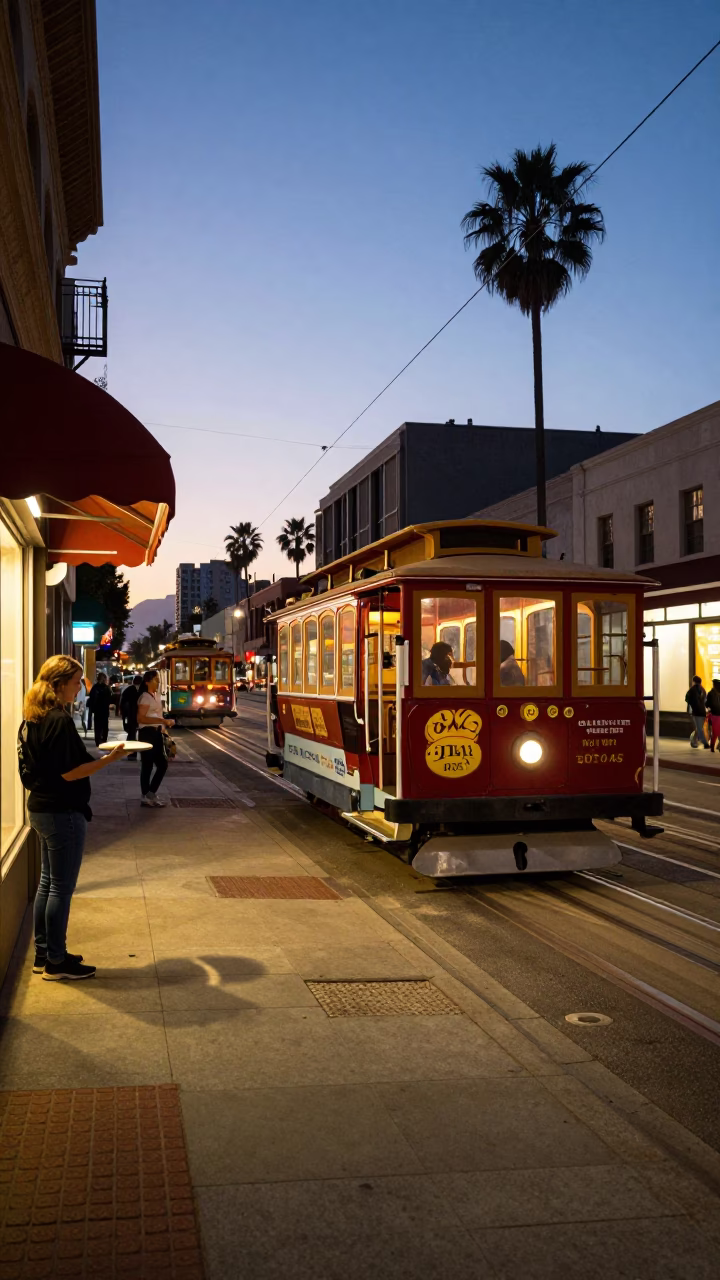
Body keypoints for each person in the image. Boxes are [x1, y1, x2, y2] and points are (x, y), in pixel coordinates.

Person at [18, 655, 125, 980]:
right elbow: (70, 772)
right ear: (60, 683)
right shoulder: (58, 720)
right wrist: (110, 759)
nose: (80, 688)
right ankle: (56, 961)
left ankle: (43, 954)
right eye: (76, 681)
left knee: (48, 884)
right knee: (61, 889)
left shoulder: (32, 717)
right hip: (62, 811)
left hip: (40, 807)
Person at [137, 670, 174, 807]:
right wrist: (162, 721)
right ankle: (145, 795)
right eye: (156, 680)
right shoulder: (145, 697)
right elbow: (140, 718)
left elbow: (157, 715)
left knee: (162, 764)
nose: (158, 682)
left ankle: (150, 793)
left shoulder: (156, 695)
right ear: (148, 682)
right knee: (147, 765)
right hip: (147, 733)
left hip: (157, 733)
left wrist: (164, 725)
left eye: (158, 680)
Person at [120, 674, 142, 757]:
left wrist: (123, 714)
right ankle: (132, 753)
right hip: (136, 715)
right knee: (133, 734)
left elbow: (122, 703)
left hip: (131, 715)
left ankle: (131, 753)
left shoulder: (129, 690)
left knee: (131, 734)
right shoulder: (143, 690)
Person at [87, 672, 111, 747]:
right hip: (104, 710)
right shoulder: (106, 688)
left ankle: (98, 740)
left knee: (98, 727)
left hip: (97, 710)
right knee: (104, 726)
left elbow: (92, 698)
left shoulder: (95, 687)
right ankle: (103, 740)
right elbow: (109, 699)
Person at [685, 675, 709, 748]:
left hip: (695, 711)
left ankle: (700, 742)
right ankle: (696, 741)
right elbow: (706, 701)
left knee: (698, 728)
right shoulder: (703, 690)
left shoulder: (691, 690)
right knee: (699, 728)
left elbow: (686, 699)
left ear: (693, 681)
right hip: (702, 711)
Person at [706, 679, 720, 753]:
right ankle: (713, 747)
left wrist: (709, 709)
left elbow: (707, 704)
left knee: (715, 732)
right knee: (716, 732)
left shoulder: (711, 693)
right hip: (716, 715)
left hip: (715, 715)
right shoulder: (714, 693)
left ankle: (712, 747)